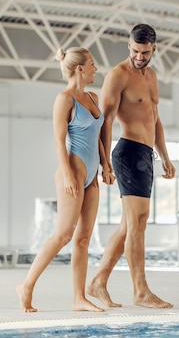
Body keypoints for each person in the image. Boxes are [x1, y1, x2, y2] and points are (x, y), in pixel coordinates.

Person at [16, 46, 113, 313]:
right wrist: (69, 174)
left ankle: (78, 298)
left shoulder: (92, 97)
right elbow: (58, 140)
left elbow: (97, 137)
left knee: (83, 239)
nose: (96, 69)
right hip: (73, 169)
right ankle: (26, 286)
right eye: (92, 64)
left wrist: (106, 166)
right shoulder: (64, 99)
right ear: (80, 68)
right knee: (62, 236)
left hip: (92, 173)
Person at [87, 23, 176, 309]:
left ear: (154, 50)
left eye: (145, 52)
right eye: (136, 51)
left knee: (130, 225)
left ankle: (98, 281)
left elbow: (155, 118)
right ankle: (140, 292)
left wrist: (164, 155)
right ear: (129, 46)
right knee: (138, 223)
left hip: (146, 155)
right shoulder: (117, 76)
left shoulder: (151, 77)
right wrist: (105, 163)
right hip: (127, 152)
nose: (140, 56)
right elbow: (106, 119)